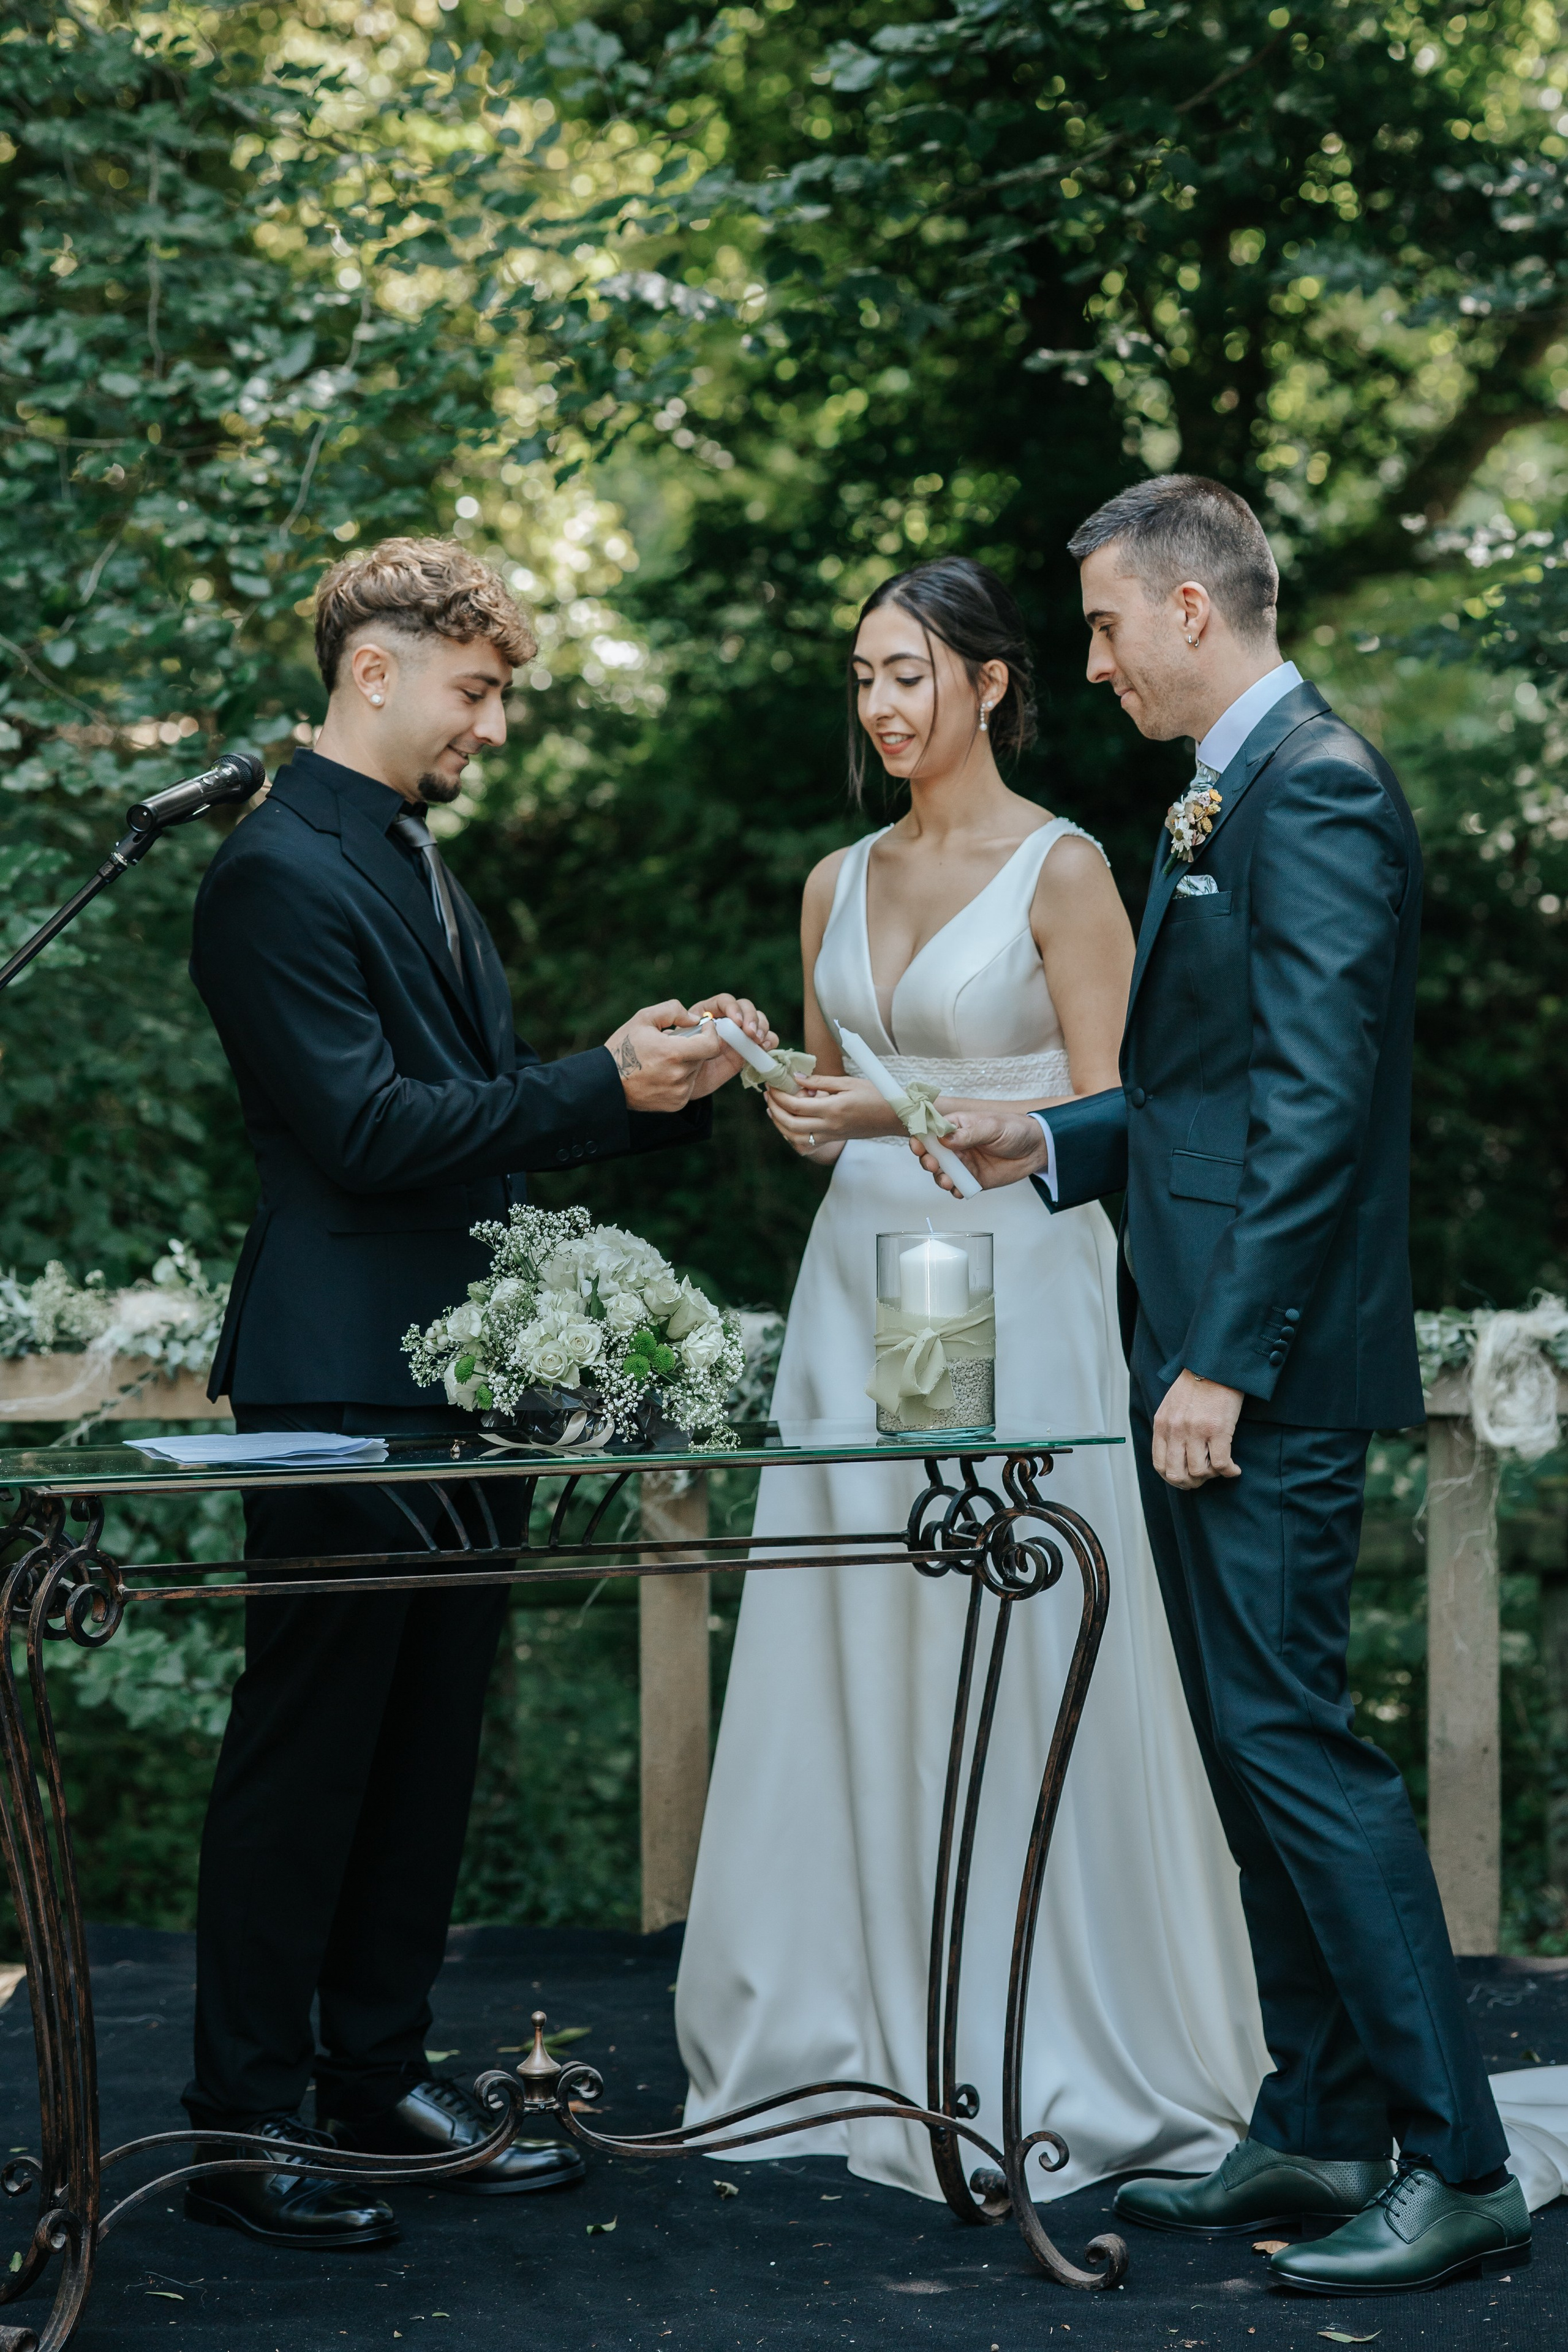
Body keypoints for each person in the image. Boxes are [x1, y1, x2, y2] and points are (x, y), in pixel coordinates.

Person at [914, 477, 1534, 2292]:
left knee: (1300, 1755)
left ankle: (1459, 2159)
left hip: (1251, 1372)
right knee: (1246, 1762)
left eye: (1105, 626)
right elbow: (1202, 1097)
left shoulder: (1317, 789)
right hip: (1198, 1352)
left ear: (1193, 613)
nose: (1089, 663)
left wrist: (1219, 1366)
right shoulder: (1229, 795)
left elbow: (1320, 1116)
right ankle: (1324, 2126)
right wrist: (1052, 1135)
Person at [184, 536, 772, 2248]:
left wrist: (629, 1076)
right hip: (333, 1376)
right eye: (477, 690)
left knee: (428, 1745)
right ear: (374, 671)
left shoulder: (410, 861)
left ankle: (374, 2076)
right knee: (309, 1756)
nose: (493, 725)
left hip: (464, 1374)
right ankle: (240, 2124)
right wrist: (595, 1085)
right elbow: (365, 1133)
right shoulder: (271, 874)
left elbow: (465, 1096)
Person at [676, 556, 1272, 2203]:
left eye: (908, 672)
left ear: (991, 684)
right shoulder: (837, 877)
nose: (880, 704)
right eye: (861, 675)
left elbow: (1116, 1116)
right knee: (866, 1620)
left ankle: (1025, 2018)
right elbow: (827, 1095)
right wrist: (770, 1072)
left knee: (980, 1613)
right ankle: (854, 2003)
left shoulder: (1066, 872)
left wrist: (885, 1114)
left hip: (982, 1268)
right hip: (863, 1270)